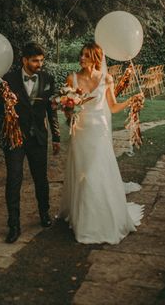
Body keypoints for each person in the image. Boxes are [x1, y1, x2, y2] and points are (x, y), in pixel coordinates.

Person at [59, 42, 144, 244]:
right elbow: (67, 110)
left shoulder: (107, 78)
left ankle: (97, 221)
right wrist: (69, 108)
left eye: (86, 55)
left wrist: (131, 100)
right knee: (81, 173)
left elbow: (113, 107)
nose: (81, 58)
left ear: (96, 58)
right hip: (80, 132)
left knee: (92, 173)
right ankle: (82, 218)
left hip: (99, 132)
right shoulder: (71, 78)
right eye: (81, 55)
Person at [0, 42, 61, 243]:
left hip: (38, 138)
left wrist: (57, 137)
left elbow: (52, 110)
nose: (39, 64)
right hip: (15, 138)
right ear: (24, 60)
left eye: (42, 60)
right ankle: (14, 225)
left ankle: (44, 214)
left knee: (41, 179)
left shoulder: (48, 79)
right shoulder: (7, 80)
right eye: (35, 60)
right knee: (14, 179)